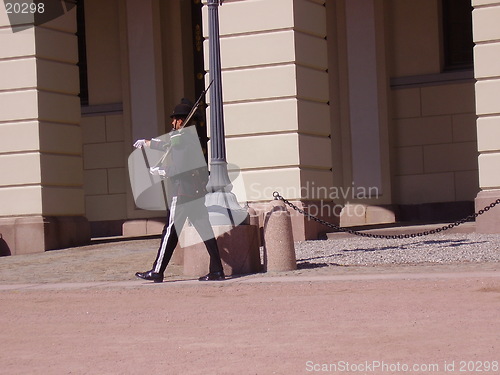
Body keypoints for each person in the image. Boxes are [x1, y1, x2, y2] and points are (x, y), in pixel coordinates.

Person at [133, 98, 225, 282]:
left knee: (169, 232)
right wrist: (148, 142)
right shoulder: (188, 137)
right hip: (194, 193)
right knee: (204, 231)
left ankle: (157, 270)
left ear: (180, 121)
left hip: (182, 193)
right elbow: (168, 146)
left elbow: (180, 167)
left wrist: (161, 171)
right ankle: (217, 270)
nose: (172, 123)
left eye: (174, 119)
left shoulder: (180, 137)